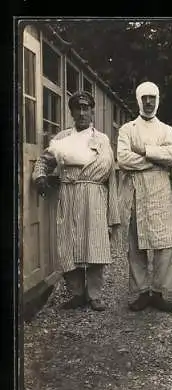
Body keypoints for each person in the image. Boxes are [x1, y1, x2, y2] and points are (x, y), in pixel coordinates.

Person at [32, 91, 120, 311]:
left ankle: (95, 295)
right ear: (71, 112)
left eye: (86, 108)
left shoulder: (101, 140)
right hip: (69, 194)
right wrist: (41, 176)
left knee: (95, 244)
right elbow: (44, 161)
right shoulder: (62, 138)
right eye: (77, 109)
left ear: (92, 111)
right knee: (67, 244)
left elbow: (110, 175)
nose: (82, 113)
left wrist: (112, 211)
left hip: (94, 195)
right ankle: (77, 293)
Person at [117, 81, 172, 313]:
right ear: (138, 100)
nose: (149, 102)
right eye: (145, 98)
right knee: (136, 243)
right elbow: (123, 158)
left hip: (160, 190)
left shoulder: (167, 129)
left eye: (152, 97)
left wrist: (144, 150)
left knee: (164, 244)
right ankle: (142, 292)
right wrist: (155, 158)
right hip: (136, 191)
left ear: (158, 99)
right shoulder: (127, 129)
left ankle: (159, 292)